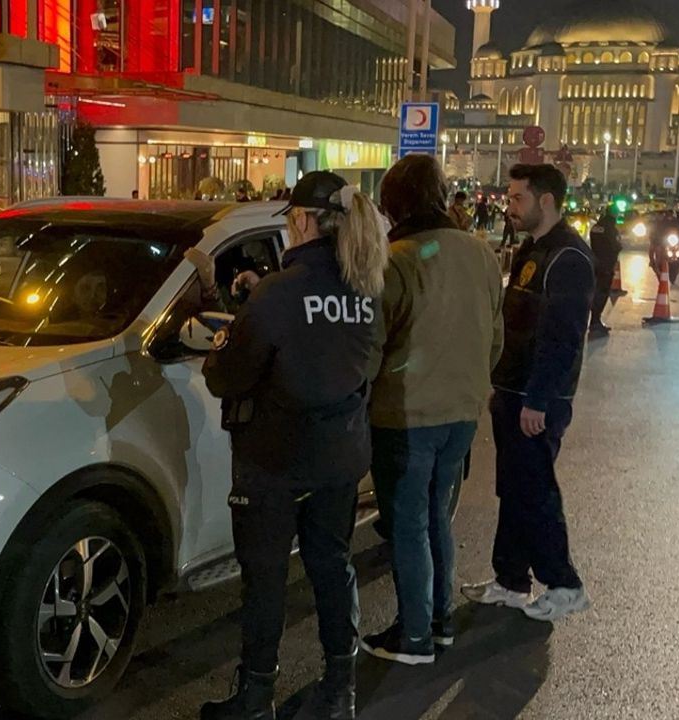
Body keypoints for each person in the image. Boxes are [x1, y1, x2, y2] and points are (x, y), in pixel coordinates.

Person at [200, 171, 389, 720]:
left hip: (274, 459)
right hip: (339, 452)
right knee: (333, 567)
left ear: (304, 220)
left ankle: (257, 697)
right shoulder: (365, 286)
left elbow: (229, 376)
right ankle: (340, 689)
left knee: (265, 578)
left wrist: (221, 342)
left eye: (290, 218)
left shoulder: (278, 295)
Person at [359, 156, 503, 665]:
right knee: (437, 516)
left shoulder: (395, 259)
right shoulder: (482, 254)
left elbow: (372, 344)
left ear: (392, 204)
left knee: (407, 523)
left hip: (405, 414)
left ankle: (414, 635)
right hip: (462, 412)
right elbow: (496, 339)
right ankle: (440, 622)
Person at [462, 164, 592, 622]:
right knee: (514, 489)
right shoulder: (532, 250)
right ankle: (512, 579)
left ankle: (564, 583)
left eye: (517, 198)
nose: (509, 206)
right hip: (512, 389)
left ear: (547, 201)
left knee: (535, 491)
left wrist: (538, 398)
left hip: (537, 399)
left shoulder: (569, 258)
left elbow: (563, 337)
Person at [588, 205, 622, 336]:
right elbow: (616, 246)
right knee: (602, 293)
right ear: (615, 214)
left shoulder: (596, 227)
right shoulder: (611, 229)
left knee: (595, 291)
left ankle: (594, 321)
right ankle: (595, 322)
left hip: (595, 263)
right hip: (606, 265)